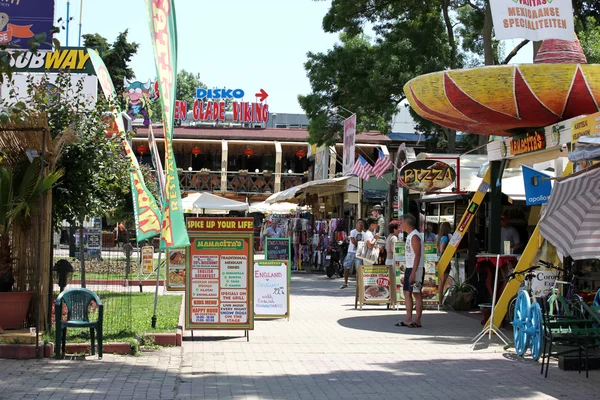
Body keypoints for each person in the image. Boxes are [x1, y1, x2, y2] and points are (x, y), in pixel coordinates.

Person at [396, 214, 424, 328]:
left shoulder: (415, 236)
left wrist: (413, 272)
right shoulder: (410, 236)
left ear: (407, 223)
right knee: (407, 293)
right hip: (409, 267)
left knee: (416, 293)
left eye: (401, 222)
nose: (400, 225)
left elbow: (417, 255)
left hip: (416, 269)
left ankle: (417, 320)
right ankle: (408, 319)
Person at [340, 219, 365, 289]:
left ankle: (358, 283)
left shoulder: (364, 233)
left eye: (361, 223)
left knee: (358, 269)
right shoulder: (353, 232)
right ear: (356, 224)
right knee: (346, 267)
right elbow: (353, 241)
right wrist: (361, 243)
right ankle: (345, 282)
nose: (360, 224)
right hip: (351, 252)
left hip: (359, 253)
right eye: (359, 222)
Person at [436, 222, 452, 305]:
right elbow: (442, 249)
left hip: (439, 260)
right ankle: (440, 301)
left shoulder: (440, 237)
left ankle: (439, 300)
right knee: (442, 282)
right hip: (445, 260)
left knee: (440, 282)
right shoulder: (446, 238)